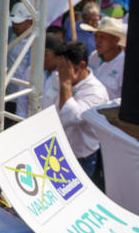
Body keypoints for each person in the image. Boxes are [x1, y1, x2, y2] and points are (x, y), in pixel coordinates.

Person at [41, 41, 110, 178]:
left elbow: (69, 118)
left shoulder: (96, 92)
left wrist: (65, 84)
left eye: (64, 68)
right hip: (53, 152)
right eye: (58, 66)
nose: (59, 72)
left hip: (80, 160)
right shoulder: (57, 76)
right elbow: (46, 106)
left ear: (81, 66)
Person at [81, 16, 126, 100]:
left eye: (102, 37)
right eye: (96, 36)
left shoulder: (124, 65)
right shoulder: (93, 56)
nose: (97, 41)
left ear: (116, 40)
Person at [6, 2, 34, 119]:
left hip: (24, 98)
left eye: (19, 22)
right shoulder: (9, 33)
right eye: (13, 21)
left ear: (30, 22)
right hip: (7, 95)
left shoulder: (35, 42)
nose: (15, 25)